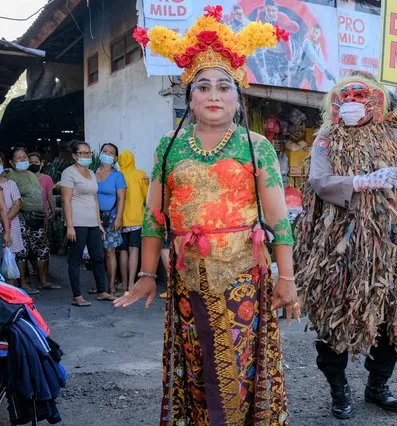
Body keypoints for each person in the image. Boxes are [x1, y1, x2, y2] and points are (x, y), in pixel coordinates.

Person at [118, 10, 298, 424]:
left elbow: (278, 219)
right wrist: (147, 274)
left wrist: (286, 278)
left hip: (242, 278)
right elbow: (154, 217)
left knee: (239, 365)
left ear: (238, 97)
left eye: (223, 87)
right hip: (188, 277)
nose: (213, 95)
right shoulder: (169, 145)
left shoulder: (256, 146)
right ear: (190, 96)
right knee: (197, 364)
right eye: (203, 87)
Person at [294, 73, 397, 419]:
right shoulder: (326, 139)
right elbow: (319, 180)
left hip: (390, 247)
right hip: (339, 247)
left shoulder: (394, 134)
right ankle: (338, 389)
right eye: (347, 98)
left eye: (362, 97)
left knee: (392, 313)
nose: (354, 104)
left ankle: (378, 385)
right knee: (336, 316)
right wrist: (359, 182)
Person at [60, 140, 116, 306]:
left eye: (88, 153)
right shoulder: (68, 173)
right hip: (77, 223)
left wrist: (98, 222)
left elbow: (94, 198)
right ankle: (77, 296)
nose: (86, 156)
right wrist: (70, 226)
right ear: (74, 155)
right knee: (75, 260)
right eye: (82, 153)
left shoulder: (91, 173)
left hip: (93, 223)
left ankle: (102, 291)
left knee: (98, 257)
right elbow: (66, 200)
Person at [7, 148, 54, 291]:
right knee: (22, 252)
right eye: (18, 157)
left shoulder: (33, 175)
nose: (22, 160)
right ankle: (23, 284)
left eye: (24, 157)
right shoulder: (11, 176)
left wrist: (48, 212)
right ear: (11, 162)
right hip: (22, 219)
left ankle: (43, 281)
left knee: (41, 250)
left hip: (38, 218)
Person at [0, 150, 26, 287]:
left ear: (3, 164)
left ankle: (11, 291)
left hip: (10, 225)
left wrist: (4, 221)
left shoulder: (10, 184)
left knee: (10, 259)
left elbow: (17, 203)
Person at [95, 143, 126, 295]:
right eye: (104, 151)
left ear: (115, 158)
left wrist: (118, 218)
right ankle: (99, 285)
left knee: (110, 251)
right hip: (94, 217)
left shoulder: (117, 176)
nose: (107, 154)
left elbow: (121, 198)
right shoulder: (92, 173)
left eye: (111, 152)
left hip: (111, 216)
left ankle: (111, 285)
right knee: (96, 252)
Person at [117, 149, 148, 293]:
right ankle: (131, 285)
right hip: (136, 219)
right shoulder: (140, 175)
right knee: (134, 250)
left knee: (122, 251)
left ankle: (123, 283)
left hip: (120, 219)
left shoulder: (117, 175)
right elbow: (147, 196)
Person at [256, 0, 299, 85]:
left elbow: (296, 28)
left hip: (283, 55)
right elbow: (257, 29)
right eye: (268, 10)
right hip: (268, 53)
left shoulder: (282, 17)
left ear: (277, 10)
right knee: (270, 81)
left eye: (273, 10)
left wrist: (281, 27)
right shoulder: (262, 16)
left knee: (285, 82)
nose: (271, 13)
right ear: (265, 10)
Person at [293, 24, 335, 91]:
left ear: (319, 35)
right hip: (299, 70)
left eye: (317, 32)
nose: (314, 34)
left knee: (314, 84)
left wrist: (328, 72)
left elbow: (321, 59)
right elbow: (314, 57)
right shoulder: (306, 42)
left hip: (309, 70)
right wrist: (326, 71)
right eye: (313, 31)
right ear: (310, 31)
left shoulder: (318, 45)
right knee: (293, 88)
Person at [28, 153, 56, 231]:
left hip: (42, 214)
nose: (33, 164)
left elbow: (50, 196)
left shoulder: (47, 179)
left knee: (41, 238)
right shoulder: (22, 179)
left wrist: (53, 212)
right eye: (31, 162)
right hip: (26, 214)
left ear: (41, 163)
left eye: (36, 162)